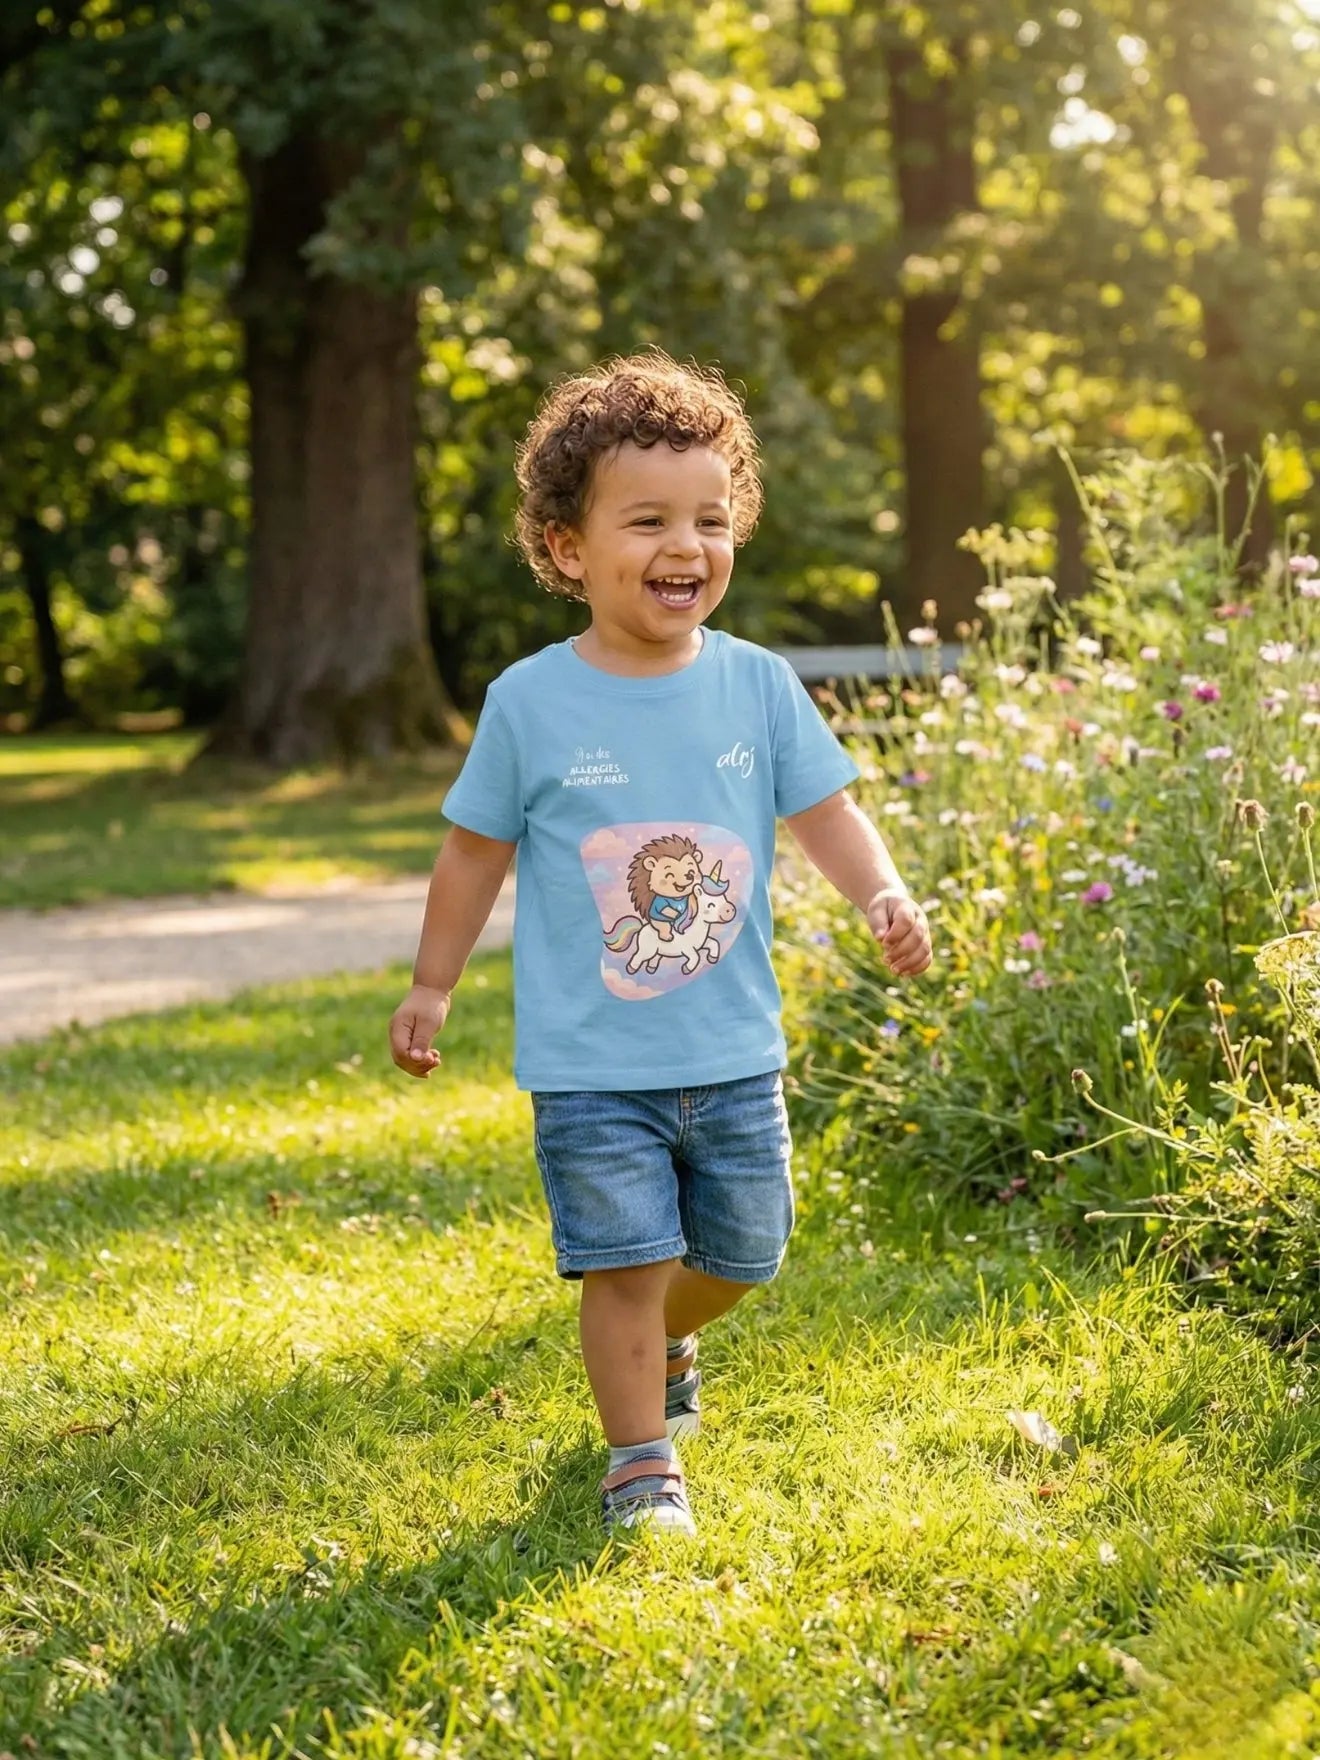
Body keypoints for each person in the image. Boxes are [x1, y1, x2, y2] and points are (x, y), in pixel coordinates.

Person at [389, 350, 931, 1539]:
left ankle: (669, 1335)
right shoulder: (531, 701)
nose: (687, 545)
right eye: (648, 520)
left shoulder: (759, 685)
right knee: (621, 1264)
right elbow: (474, 851)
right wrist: (434, 983)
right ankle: (641, 1458)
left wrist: (883, 889)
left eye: (710, 518)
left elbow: (826, 811)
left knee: (749, 1248)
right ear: (568, 547)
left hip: (733, 1049)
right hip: (591, 1067)